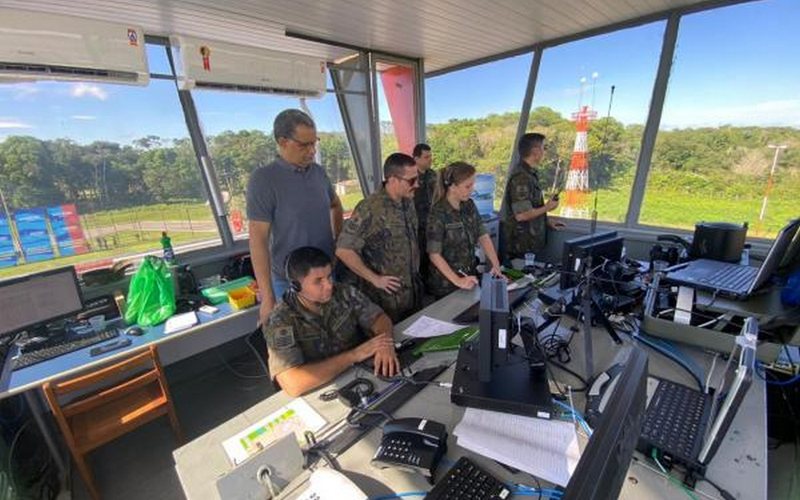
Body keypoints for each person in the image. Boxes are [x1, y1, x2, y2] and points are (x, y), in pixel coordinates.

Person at [247, 109, 344, 325]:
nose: (312, 151)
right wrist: (267, 297)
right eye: (304, 145)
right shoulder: (264, 180)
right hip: (289, 283)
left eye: (314, 143)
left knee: (335, 332)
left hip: (325, 276)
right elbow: (258, 241)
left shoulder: (318, 173)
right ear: (283, 142)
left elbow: (336, 205)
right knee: (297, 346)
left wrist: (338, 242)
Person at [263, 246, 400, 397]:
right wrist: (354, 355)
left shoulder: (343, 292)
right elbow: (293, 384)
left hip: (362, 375)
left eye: (329, 277)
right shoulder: (280, 320)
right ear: (296, 286)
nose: (328, 285)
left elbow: (379, 318)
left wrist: (385, 343)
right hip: (322, 389)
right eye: (318, 281)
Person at [336, 153, 422, 322]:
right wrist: (374, 279)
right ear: (392, 180)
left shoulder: (407, 202)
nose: (417, 185)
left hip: (412, 294)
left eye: (417, 178)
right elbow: (343, 249)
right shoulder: (370, 208)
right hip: (385, 301)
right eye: (411, 181)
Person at [426, 162, 503, 298]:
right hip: (446, 284)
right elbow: (434, 255)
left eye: (473, 185)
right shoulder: (438, 213)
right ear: (452, 187)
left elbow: (483, 235)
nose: (472, 190)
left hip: (469, 277)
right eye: (468, 186)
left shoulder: (469, 205)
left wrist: (496, 265)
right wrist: (458, 281)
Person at [501, 132, 565, 260]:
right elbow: (522, 215)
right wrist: (547, 207)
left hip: (530, 241)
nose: (544, 152)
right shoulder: (521, 178)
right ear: (535, 151)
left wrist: (545, 221)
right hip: (521, 245)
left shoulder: (529, 174)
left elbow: (531, 206)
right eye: (543, 148)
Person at [413, 143, 436, 271]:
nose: (430, 159)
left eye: (430, 156)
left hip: (431, 226)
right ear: (416, 159)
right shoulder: (409, 178)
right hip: (416, 229)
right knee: (418, 262)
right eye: (426, 157)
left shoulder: (433, 175)